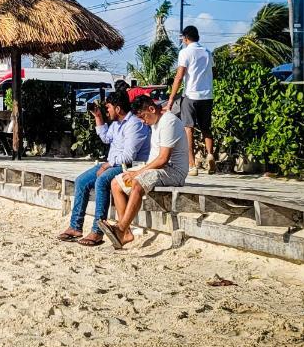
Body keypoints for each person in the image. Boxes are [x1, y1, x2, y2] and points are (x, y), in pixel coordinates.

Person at [57, 89, 150, 246]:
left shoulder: (134, 125)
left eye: (108, 107)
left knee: (101, 181)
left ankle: (97, 232)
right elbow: (106, 138)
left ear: (118, 108)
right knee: (81, 181)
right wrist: (98, 117)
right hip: (113, 163)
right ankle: (75, 227)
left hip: (129, 167)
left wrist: (107, 164)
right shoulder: (116, 124)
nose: (107, 110)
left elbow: (128, 157)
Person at [99, 94, 189, 249]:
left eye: (143, 117)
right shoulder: (155, 123)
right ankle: (126, 233)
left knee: (137, 182)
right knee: (116, 183)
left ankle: (120, 229)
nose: (142, 121)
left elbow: (163, 159)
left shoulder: (169, 122)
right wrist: (137, 171)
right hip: (158, 168)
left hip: (173, 171)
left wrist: (137, 173)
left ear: (152, 109)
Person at [166, 24, 215, 176]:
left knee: (188, 129)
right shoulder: (207, 52)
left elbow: (179, 76)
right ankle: (210, 155)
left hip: (190, 95)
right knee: (206, 128)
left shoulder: (185, 53)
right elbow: (213, 71)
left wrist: (171, 98)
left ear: (186, 38)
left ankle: (192, 165)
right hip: (207, 95)